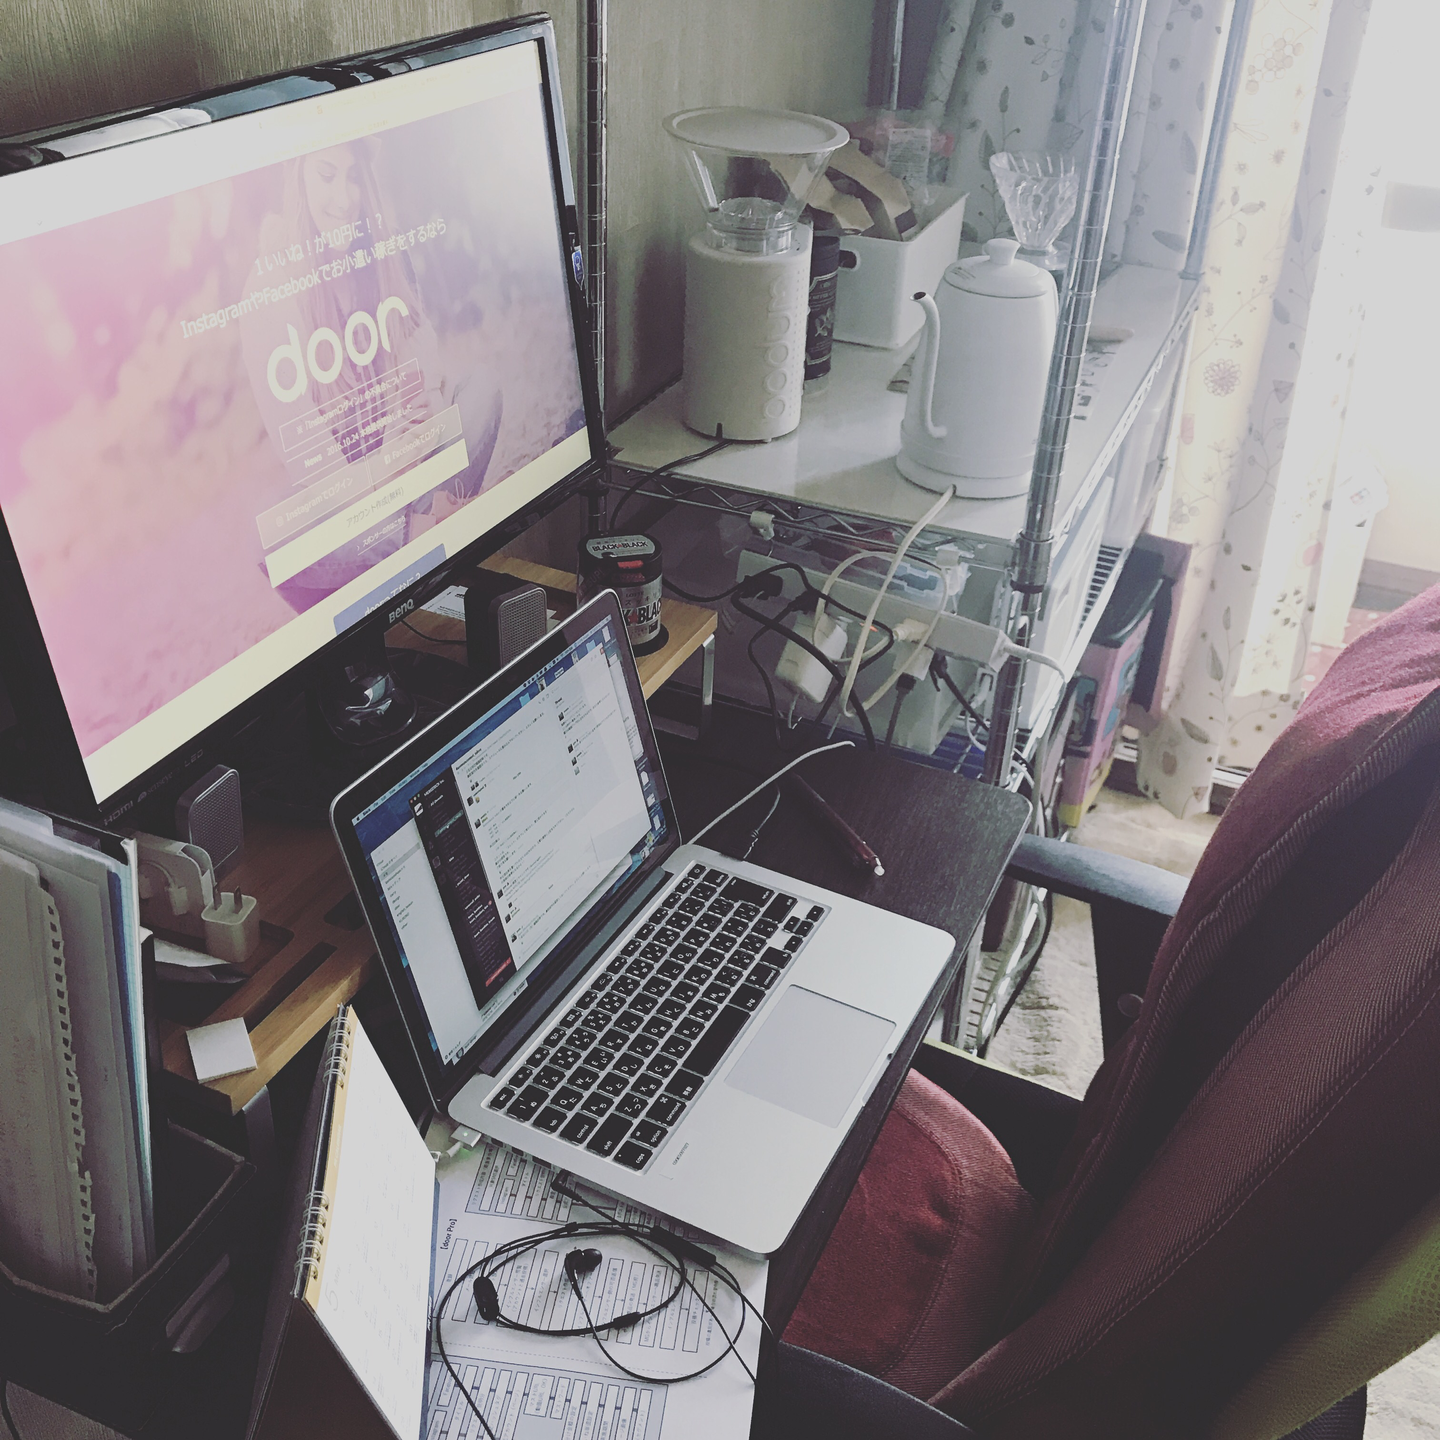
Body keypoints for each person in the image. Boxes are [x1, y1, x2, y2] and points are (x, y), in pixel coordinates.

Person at [240, 140, 503, 609]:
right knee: (272, 533)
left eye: (354, 177)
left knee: (480, 389)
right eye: (326, 175)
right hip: (353, 514)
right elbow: (316, 473)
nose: (344, 198)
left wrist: (424, 416)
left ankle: (424, 534)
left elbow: (426, 367)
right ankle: (433, 533)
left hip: (410, 478)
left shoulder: (382, 251)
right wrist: (388, 476)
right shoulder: (269, 290)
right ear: (298, 180)